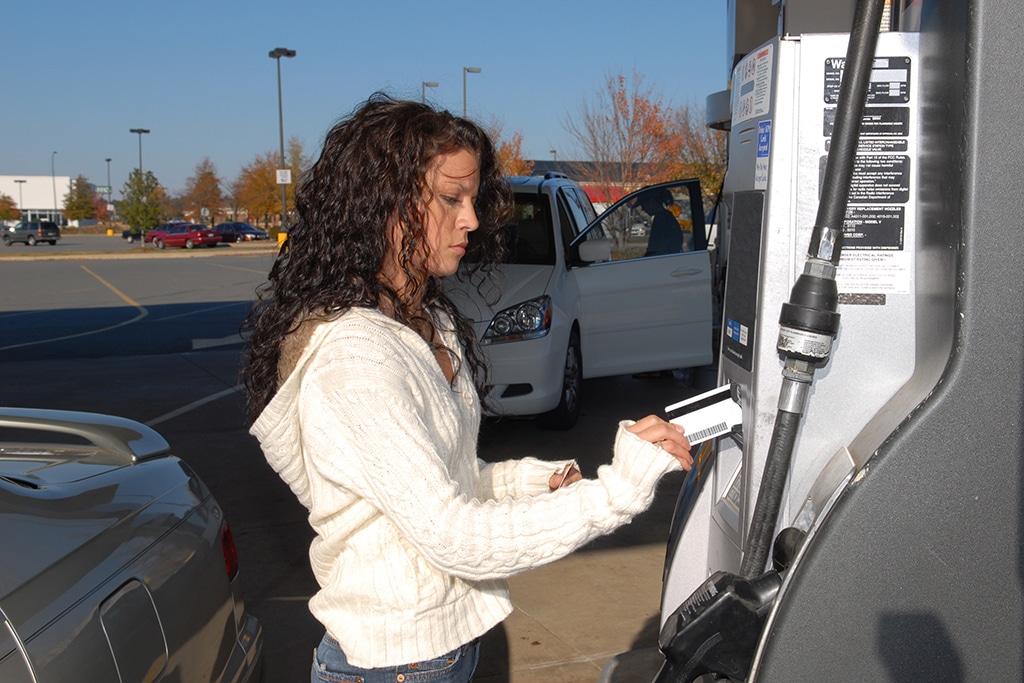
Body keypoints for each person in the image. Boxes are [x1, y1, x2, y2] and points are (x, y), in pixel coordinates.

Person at [242, 93, 693, 683]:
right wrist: (617, 494)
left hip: (443, 653)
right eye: (451, 198)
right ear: (385, 206)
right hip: (391, 667)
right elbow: (452, 535)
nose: (473, 219)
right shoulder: (355, 358)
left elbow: (450, 479)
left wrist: (534, 481)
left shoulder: (430, 321)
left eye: (473, 198)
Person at [639, 187, 684, 256]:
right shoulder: (665, 218)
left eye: (643, 204)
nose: (643, 209)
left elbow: (658, 250)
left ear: (652, 201)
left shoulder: (663, 220)